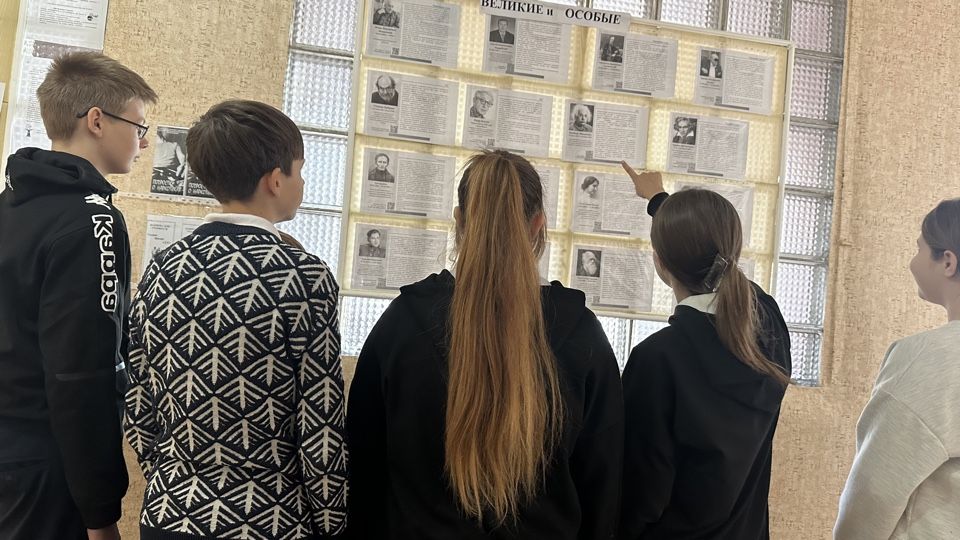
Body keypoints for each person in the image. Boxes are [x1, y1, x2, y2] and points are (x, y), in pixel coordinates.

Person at [346, 150, 623, 539]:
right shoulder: (582, 334)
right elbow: (603, 485)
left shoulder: (402, 324)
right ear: (538, 225)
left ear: (459, 220)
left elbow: (363, 466)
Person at [123, 100, 348, 539]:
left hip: (168, 513)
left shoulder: (163, 267)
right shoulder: (304, 275)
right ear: (275, 179)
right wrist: (331, 525)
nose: (302, 182)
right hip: (270, 519)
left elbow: (138, 399)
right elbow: (320, 424)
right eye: (300, 171)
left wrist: (170, 481)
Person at [0, 51, 157, 540]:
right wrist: (100, 512)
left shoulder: (10, 205)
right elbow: (83, 374)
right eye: (139, 125)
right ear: (96, 121)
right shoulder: (93, 219)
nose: (145, 141)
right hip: (45, 467)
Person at [618, 162, 791, 540]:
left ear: (659, 262)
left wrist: (660, 205)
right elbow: (733, 277)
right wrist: (659, 202)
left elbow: (639, 495)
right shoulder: (770, 332)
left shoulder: (658, 359)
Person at [834, 199, 960, 539]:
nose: (912, 261)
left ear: (948, 262)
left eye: (919, 249)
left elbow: (874, 491)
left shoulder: (929, 358)